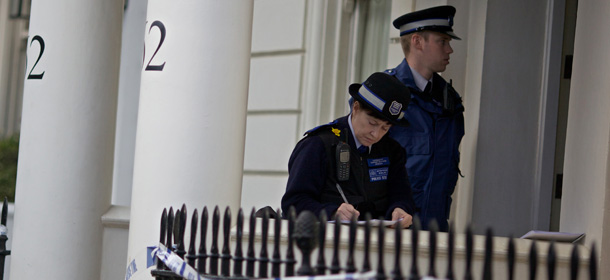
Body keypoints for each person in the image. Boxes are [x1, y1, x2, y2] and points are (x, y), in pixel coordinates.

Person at [281, 72, 416, 228]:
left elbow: (401, 195)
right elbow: (293, 203)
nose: (376, 134)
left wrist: (400, 209)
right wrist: (331, 212)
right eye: (372, 123)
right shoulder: (318, 145)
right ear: (356, 107)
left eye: (385, 128)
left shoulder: (392, 151)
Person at [384, 5, 465, 231]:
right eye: (442, 41)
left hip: (435, 227)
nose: (449, 50)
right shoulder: (384, 92)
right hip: (392, 227)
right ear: (418, 42)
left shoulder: (451, 103)